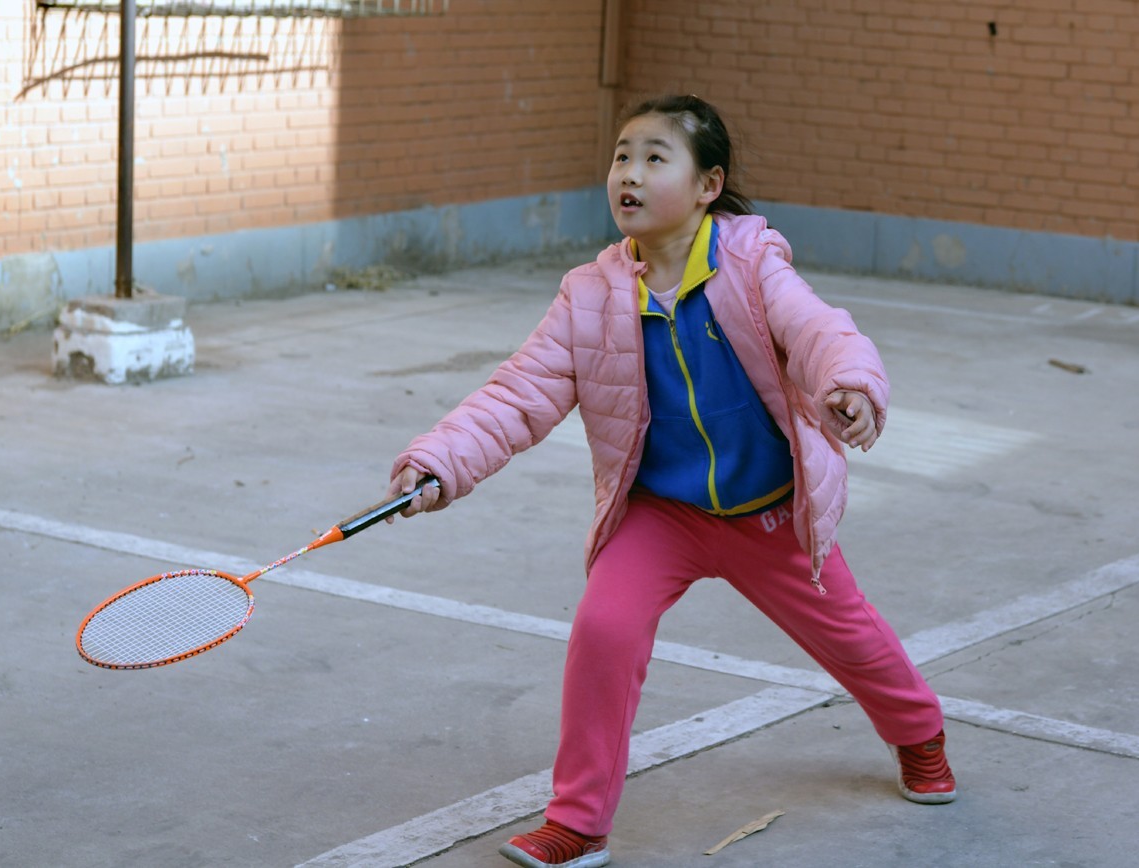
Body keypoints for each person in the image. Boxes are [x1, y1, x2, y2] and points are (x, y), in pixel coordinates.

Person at [386, 94, 956, 868]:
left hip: (767, 513)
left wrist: (849, 384)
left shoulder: (752, 265)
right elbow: (518, 393)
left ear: (706, 186)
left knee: (851, 638)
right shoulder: (588, 294)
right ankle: (577, 824)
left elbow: (820, 330)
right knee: (603, 630)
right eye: (622, 156)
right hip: (661, 513)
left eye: (655, 158)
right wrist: (440, 461)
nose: (629, 173)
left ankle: (918, 734)